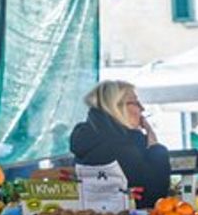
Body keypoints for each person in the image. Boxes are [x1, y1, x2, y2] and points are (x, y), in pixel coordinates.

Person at [69, 80, 170, 208]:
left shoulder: (85, 141)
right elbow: (155, 199)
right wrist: (155, 147)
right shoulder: (125, 147)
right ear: (116, 107)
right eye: (136, 102)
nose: (142, 108)